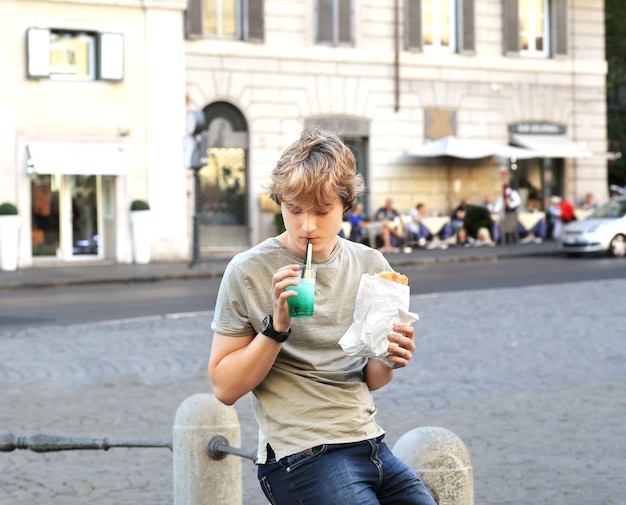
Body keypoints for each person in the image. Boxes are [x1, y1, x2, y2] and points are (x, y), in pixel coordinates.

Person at [208, 126, 436, 505]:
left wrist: (391, 357)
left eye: (322, 210)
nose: (306, 225)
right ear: (279, 201)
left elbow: (370, 378)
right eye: (293, 209)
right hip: (300, 455)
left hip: (370, 442)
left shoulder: (370, 264)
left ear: (347, 204)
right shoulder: (247, 270)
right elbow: (224, 388)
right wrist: (276, 328)